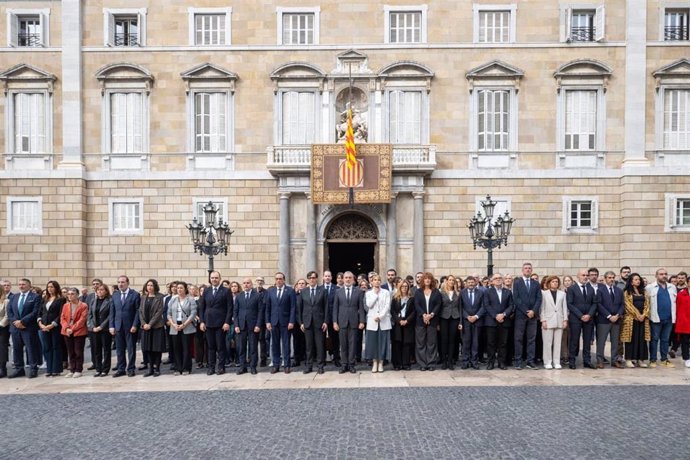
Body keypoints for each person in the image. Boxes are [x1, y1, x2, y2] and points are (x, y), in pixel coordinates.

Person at [199, 271, 233, 375]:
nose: (214, 279)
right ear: (210, 279)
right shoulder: (206, 291)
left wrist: (227, 322)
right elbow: (201, 307)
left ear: (220, 278)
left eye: (216, 278)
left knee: (220, 346)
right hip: (208, 322)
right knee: (211, 347)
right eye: (212, 278)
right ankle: (211, 367)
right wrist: (202, 322)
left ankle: (221, 367)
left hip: (221, 323)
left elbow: (230, 308)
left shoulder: (226, 291)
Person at [7, 278, 42, 378]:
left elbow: (35, 312)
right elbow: (10, 312)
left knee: (31, 348)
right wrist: (15, 322)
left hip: (28, 327)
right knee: (17, 349)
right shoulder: (14, 297)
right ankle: (19, 369)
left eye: (23, 284)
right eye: (20, 284)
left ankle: (33, 369)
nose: (21, 286)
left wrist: (22, 321)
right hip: (15, 328)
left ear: (29, 286)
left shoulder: (35, 297)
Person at [332, 271, 366, 374]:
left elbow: (361, 308)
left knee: (352, 345)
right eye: (346, 277)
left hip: (354, 322)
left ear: (353, 279)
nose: (347, 279)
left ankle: (351, 365)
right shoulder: (338, 292)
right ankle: (344, 365)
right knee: (343, 345)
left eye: (349, 278)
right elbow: (335, 308)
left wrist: (362, 321)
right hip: (341, 322)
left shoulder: (358, 292)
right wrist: (334, 322)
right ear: (343, 279)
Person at [109, 275, 141, 377]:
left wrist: (135, 324)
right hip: (118, 326)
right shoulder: (115, 295)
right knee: (119, 349)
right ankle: (121, 368)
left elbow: (137, 311)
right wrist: (111, 326)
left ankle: (131, 368)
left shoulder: (135, 294)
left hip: (130, 327)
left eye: (122, 282)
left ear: (127, 283)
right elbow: (112, 312)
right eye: (119, 282)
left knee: (131, 349)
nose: (120, 284)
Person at [297, 271, 328, 374]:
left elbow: (326, 307)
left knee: (320, 345)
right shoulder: (304, 291)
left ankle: (320, 366)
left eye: (314, 277)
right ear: (308, 279)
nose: (312, 279)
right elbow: (299, 308)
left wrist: (326, 322)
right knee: (309, 346)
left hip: (319, 322)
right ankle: (309, 366)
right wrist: (301, 322)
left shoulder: (322, 291)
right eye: (310, 277)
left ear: (317, 279)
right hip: (307, 322)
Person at [513, 263, 542, 370]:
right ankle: (518, 361)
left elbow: (539, 299)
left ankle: (530, 361)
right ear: (522, 270)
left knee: (531, 339)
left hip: (533, 316)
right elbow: (516, 299)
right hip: (521, 315)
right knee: (518, 339)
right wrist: (526, 311)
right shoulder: (517, 283)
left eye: (529, 268)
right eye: (526, 268)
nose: (528, 270)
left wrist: (533, 311)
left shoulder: (536, 283)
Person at [566, 269, 598, 369]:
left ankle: (587, 361)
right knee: (574, 340)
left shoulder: (590, 288)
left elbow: (594, 303)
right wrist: (580, 315)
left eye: (586, 275)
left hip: (588, 319)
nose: (585, 277)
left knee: (587, 341)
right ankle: (572, 361)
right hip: (576, 319)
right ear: (578, 277)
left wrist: (589, 314)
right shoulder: (572, 288)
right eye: (583, 275)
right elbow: (570, 304)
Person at [646, 268, 677, 368]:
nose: (664, 276)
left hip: (668, 318)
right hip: (656, 318)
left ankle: (664, 359)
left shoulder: (672, 287)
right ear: (656, 276)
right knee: (654, 339)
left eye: (665, 274)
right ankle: (653, 359)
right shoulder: (650, 287)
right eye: (661, 274)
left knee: (665, 339)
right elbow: (647, 304)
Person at [265, 272, 296, 374]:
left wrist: (291, 321)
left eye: (280, 279)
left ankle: (287, 365)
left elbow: (293, 307)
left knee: (286, 344)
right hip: (274, 322)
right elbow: (268, 308)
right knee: (275, 344)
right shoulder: (271, 291)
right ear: (275, 280)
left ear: (284, 280)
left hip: (286, 322)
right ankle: (276, 365)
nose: (278, 280)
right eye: (277, 279)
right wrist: (267, 321)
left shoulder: (290, 291)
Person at [483, 273, 514, 370]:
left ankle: (501, 362)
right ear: (492, 281)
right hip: (491, 321)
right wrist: (495, 315)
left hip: (504, 321)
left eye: (500, 278)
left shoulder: (507, 292)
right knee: (491, 343)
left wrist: (504, 314)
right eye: (496, 278)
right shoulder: (488, 292)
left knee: (503, 343)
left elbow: (511, 305)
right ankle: (490, 363)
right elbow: (487, 305)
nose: (498, 280)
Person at [234, 277, 264, 375]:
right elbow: (236, 312)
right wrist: (236, 325)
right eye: (244, 283)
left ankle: (253, 366)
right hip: (241, 325)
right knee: (241, 347)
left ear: (251, 284)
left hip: (253, 325)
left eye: (248, 283)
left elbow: (260, 311)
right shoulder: (239, 296)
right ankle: (243, 367)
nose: (246, 285)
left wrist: (258, 324)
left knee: (253, 347)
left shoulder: (257, 296)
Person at [167, 281, 197, 375]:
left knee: (186, 348)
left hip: (186, 325)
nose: (179, 290)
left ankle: (186, 368)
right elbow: (169, 314)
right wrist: (173, 324)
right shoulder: (173, 300)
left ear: (185, 289)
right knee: (176, 348)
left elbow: (193, 314)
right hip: (175, 326)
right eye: (178, 288)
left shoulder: (190, 299)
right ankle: (177, 367)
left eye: (181, 288)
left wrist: (184, 324)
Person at [596, 271, 624, 368]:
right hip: (604, 320)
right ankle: (600, 360)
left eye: (613, 277)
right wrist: (609, 316)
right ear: (605, 278)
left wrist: (617, 315)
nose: (611, 279)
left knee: (615, 341)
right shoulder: (600, 290)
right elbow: (599, 304)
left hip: (616, 320)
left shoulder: (619, 291)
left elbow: (622, 304)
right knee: (601, 341)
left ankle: (614, 360)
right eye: (609, 277)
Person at [414, 272, 442, 371]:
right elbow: (417, 304)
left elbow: (438, 304)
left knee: (431, 343)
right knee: (421, 343)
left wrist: (431, 315)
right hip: (420, 321)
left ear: (431, 280)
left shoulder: (436, 292)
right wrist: (424, 315)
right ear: (422, 280)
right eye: (425, 278)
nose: (427, 280)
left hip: (433, 320)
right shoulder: (418, 292)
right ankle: (422, 363)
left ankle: (431, 363)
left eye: (429, 278)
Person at [364, 274, 392, 373]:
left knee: (382, 342)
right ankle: (374, 362)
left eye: (378, 280)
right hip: (372, 321)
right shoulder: (368, 293)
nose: (377, 281)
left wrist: (380, 316)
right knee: (373, 343)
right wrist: (376, 294)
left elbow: (387, 306)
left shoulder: (386, 292)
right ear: (371, 282)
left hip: (383, 320)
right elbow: (369, 305)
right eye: (375, 280)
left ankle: (381, 362)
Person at [38, 281, 66, 377]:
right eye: (48, 287)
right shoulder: (45, 299)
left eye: (52, 287)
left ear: (56, 288)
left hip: (55, 327)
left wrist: (53, 324)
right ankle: (49, 369)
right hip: (44, 326)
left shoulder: (61, 299)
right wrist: (40, 323)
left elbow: (61, 314)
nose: (50, 289)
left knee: (56, 347)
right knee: (47, 348)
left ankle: (56, 369)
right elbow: (40, 312)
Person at [622, 273, 650, 367]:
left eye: (639, 279)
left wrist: (644, 314)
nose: (638, 281)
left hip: (642, 319)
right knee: (631, 339)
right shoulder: (627, 292)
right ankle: (629, 359)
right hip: (631, 319)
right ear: (631, 281)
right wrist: (637, 314)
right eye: (636, 279)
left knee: (642, 339)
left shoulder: (644, 291)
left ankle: (640, 360)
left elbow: (647, 304)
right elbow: (628, 305)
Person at [139, 279, 166, 377]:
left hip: (156, 326)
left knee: (156, 348)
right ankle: (150, 368)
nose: (149, 287)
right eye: (148, 285)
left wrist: (150, 324)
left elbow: (159, 312)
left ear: (155, 286)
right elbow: (140, 312)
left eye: (151, 285)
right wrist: (144, 324)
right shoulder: (143, 297)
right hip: (145, 327)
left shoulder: (160, 297)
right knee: (148, 348)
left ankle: (157, 368)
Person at [539, 276, 567, 369]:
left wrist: (565, 320)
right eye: (553, 281)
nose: (555, 283)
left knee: (558, 342)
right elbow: (542, 308)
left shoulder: (562, 294)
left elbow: (564, 308)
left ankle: (556, 361)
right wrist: (543, 320)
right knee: (547, 342)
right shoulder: (544, 294)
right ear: (549, 283)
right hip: (548, 320)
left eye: (556, 281)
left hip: (559, 319)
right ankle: (547, 361)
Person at [60, 288, 88, 378]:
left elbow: (82, 320)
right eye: (68, 294)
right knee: (70, 351)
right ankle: (72, 369)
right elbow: (62, 318)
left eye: (72, 294)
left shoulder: (83, 305)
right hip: (67, 332)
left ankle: (78, 369)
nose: (70, 296)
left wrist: (72, 328)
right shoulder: (65, 305)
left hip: (79, 331)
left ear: (77, 295)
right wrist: (67, 328)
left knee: (78, 351)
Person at [460, 276, 485, 370]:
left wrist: (476, 316)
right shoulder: (462, 293)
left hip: (477, 321)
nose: (470, 284)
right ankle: (465, 361)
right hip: (466, 321)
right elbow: (460, 307)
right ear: (466, 283)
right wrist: (467, 316)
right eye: (469, 282)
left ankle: (474, 361)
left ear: (475, 283)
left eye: (472, 282)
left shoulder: (481, 293)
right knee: (466, 342)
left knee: (476, 342)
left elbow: (483, 306)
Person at [88, 283, 112, 377]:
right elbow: (89, 315)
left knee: (106, 350)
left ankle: (105, 369)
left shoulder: (109, 301)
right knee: (96, 350)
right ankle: (98, 368)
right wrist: (92, 326)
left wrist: (101, 327)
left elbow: (110, 316)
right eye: (98, 290)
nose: (100, 291)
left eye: (102, 289)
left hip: (104, 330)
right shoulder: (93, 301)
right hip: (94, 329)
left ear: (106, 291)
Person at [391, 279, 415, 370]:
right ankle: (397, 364)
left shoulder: (412, 298)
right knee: (397, 344)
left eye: (406, 286)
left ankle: (406, 364)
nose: (404, 288)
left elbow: (414, 311)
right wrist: (399, 320)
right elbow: (392, 311)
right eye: (402, 286)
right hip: (398, 323)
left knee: (406, 344)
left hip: (408, 323)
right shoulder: (395, 298)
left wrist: (407, 321)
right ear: (399, 287)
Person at [439, 275, 461, 370]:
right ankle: (444, 360)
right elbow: (439, 306)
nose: (452, 281)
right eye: (450, 280)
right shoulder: (442, 292)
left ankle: (450, 361)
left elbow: (460, 307)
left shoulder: (458, 293)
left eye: (453, 280)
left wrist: (460, 322)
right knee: (444, 340)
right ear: (447, 281)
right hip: (444, 317)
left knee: (452, 340)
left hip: (455, 317)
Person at [322, 271, 340, 367]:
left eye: (329, 276)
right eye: (326, 276)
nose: (327, 277)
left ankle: (336, 358)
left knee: (335, 339)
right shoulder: (319, 289)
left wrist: (336, 320)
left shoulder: (337, 289)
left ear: (331, 277)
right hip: (322, 319)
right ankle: (323, 359)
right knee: (321, 339)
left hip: (334, 318)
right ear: (323, 277)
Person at [674, 272, 690, 368]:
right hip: (685, 321)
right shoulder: (681, 294)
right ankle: (686, 358)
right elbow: (678, 307)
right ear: (687, 283)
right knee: (685, 341)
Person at [0, 289, 8, 378]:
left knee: (2, 348)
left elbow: (7, 315)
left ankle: (3, 368)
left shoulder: (6, 301)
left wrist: (1, 325)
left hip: (2, 328)